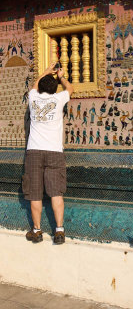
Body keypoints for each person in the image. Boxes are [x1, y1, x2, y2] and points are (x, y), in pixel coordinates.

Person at [22, 62, 73, 244]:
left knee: (34, 194)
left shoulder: (33, 98)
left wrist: (45, 72)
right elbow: (70, 88)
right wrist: (60, 76)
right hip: (54, 152)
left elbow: (35, 85)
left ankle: (36, 231)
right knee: (56, 192)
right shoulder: (58, 99)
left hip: (34, 151)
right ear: (54, 89)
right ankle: (59, 230)